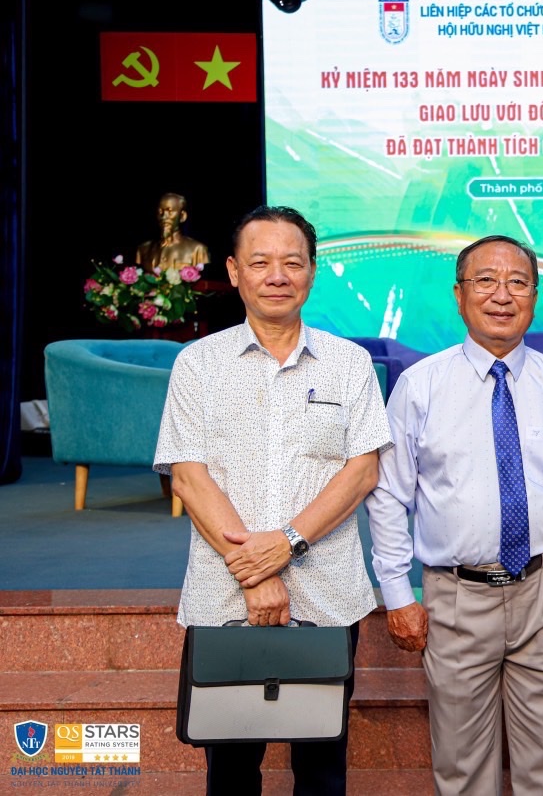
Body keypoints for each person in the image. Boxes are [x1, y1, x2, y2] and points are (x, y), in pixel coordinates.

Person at [364, 234, 543, 796]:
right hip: (457, 597)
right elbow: (390, 495)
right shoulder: (420, 386)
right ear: (459, 295)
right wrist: (397, 594)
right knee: (462, 768)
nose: (502, 295)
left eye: (517, 282)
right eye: (485, 281)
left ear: (534, 297)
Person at [153, 205, 391, 795]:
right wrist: (255, 573)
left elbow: (361, 471)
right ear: (235, 272)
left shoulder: (350, 363)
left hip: (327, 594)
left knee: (322, 770)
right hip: (224, 595)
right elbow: (189, 477)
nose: (277, 276)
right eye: (260, 262)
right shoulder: (197, 364)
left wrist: (285, 545)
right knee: (231, 772)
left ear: (312, 271)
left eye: (292, 262)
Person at [136, 192, 210, 272]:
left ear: (182, 216)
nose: (164, 217)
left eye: (170, 211)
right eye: (160, 211)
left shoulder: (198, 250)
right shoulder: (143, 249)